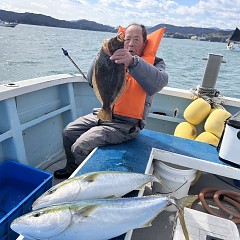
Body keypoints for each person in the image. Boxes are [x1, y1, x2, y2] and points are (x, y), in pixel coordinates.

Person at [54, 23, 168, 179]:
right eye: (127, 39)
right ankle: (72, 168)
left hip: (126, 125)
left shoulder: (155, 64)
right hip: (103, 114)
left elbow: (159, 82)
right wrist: (102, 54)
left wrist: (133, 62)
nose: (131, 43)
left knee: (80, 146)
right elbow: (91, 79)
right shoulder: (112, 57)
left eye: (136, 39)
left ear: (145, 42)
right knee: (69, 132)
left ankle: (85, 182)